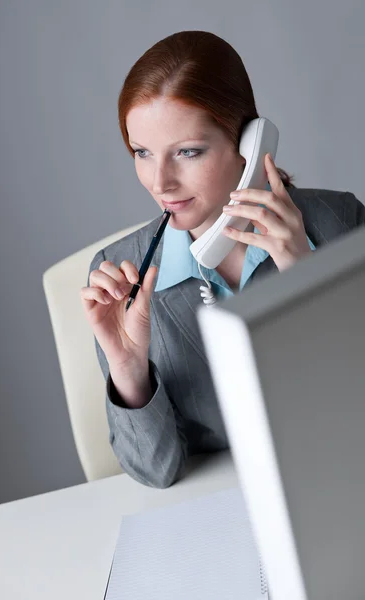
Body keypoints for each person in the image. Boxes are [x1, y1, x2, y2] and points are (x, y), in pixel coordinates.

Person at [80, 30, 365, 489]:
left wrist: (310, 283)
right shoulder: (119, 274)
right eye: (142, 153)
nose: (160, 183)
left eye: (187, 152)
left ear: (249, 142)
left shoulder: (340, 223)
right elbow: (156, 471)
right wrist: (129, 372)